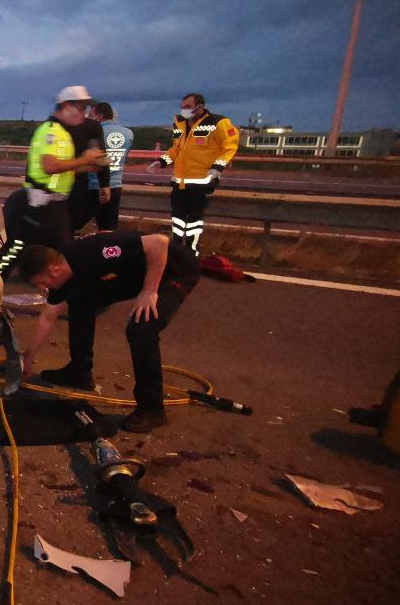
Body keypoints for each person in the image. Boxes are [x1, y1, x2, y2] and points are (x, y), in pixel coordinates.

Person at [17, 231, 201, 432]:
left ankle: (152, 409)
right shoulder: (62, 277)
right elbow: (48, 316)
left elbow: (159, 242)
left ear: (53, 269)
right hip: (137, 271)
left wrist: (149, 291)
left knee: (141, 328)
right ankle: (80, 371)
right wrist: (28, 356)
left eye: (43, 283)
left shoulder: (95, 251)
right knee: (80, 301)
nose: (44, 288)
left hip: (174, 268)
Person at [0, 86, 106, 276]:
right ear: (67, 106)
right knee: (12, 255)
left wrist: (89, 165)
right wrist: (84, 160)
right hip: (36, 205)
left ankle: (68, 292)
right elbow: (50, 166)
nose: (84, 114)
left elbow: (62, 169)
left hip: (53, 205)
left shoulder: (62, 132)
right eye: (81, 108)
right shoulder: (50, 132)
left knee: (61, 253)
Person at [146, 93, 239, 254]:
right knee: (177, 218)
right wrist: (161, 161)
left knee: (194, 220)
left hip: (201, 182)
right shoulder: (179, 124)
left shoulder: (218, 122)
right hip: (179, 182)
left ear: (200, 106)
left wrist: (218, 167)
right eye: (182, 107)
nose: (184, 110)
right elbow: (176, 148)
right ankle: (176, 249)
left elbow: (230, 147)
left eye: (188, 107)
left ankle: (191, 252)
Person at [64, 97, 111, 234]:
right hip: (79, 186)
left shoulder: (52, 127)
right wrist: (105, 184)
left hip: (52, 188)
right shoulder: (92, 127)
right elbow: (100, 158)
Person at [86, 102, 133, 231]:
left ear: (99, 116)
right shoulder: (128, 133)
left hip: (92, 184)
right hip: (115, 185)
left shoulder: (93, 132)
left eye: (90, 114)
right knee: (108, 229)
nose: (88, 117)